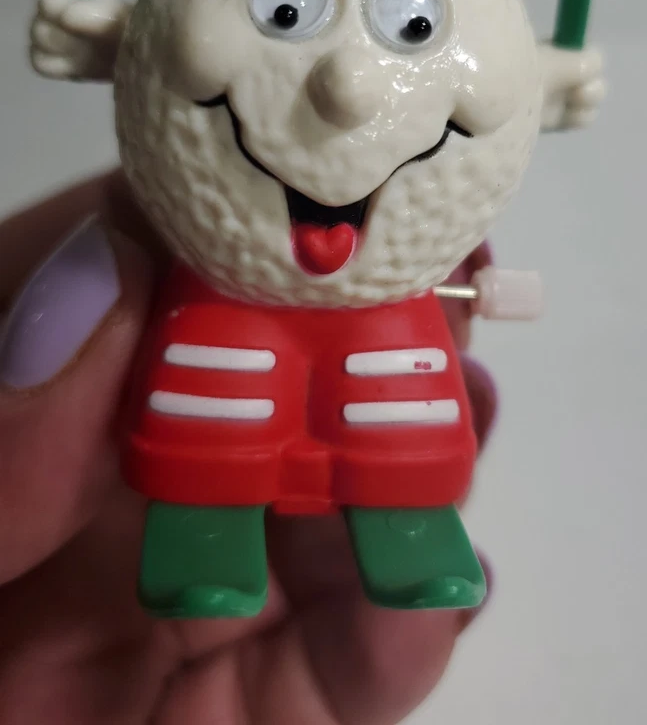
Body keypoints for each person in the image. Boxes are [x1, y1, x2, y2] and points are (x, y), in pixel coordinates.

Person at [0, 170, 497, 724]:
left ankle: (407, 518)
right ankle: (207, 529)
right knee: (215, 418)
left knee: (397, 419)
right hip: (228, 301)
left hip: (378, 315)